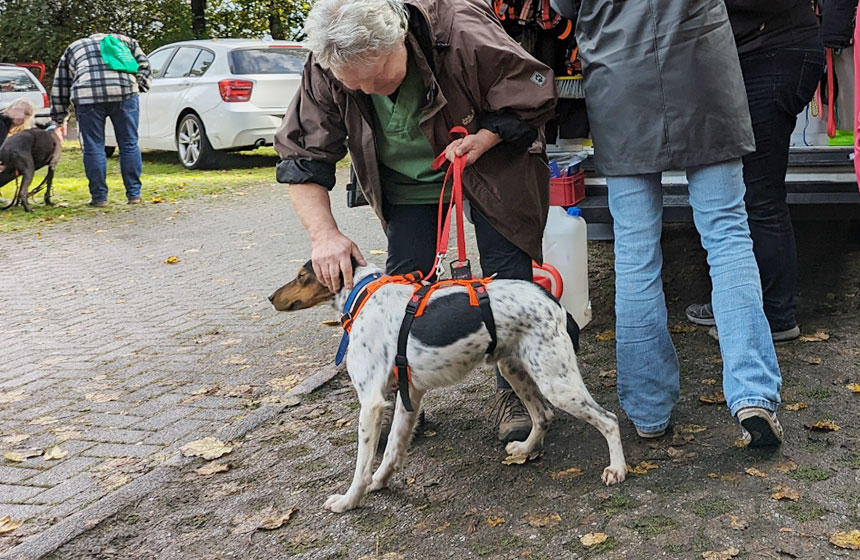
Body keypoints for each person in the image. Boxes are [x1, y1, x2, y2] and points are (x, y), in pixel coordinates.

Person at [275, 0, 557, 443]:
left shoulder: (462, 31)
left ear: (398, 39)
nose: (366, 90)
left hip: (492, 168)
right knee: (399, 290)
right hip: (405, 184)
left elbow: (532, 90)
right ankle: (402, 395)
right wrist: (324, 234)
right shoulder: (327, 63)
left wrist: (486, 137)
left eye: (376, 79)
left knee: (507, 280)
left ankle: (518, 394)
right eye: (354, 85)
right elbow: (302, 155)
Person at [551, 0, 784, 446]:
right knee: (728, 236)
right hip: (703, 67)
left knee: (636, 253)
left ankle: (648, 410)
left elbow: (564, 5)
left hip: (620, 80)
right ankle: (753, 394)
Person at [685, 1, 825, 343]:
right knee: (750, 194)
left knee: (759, 196)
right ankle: (737, 301)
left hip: (772, 53)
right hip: (766, 51)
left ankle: (775, 315)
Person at [50, 33, 151, 207]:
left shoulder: (75, 47)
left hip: (87, 95)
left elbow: (61, 83)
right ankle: (134, 195)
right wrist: (138, 86)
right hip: (124, 92)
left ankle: (99, 198)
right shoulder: (126, 41)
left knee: (93, 146)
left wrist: (60, 118)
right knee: (129, 143)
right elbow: (144, 66)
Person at [0, 98, 36, 173]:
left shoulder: (5, 125)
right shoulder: (2, 125)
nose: (21, 115)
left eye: (26, 114)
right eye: (17, 110)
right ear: (10, 110)